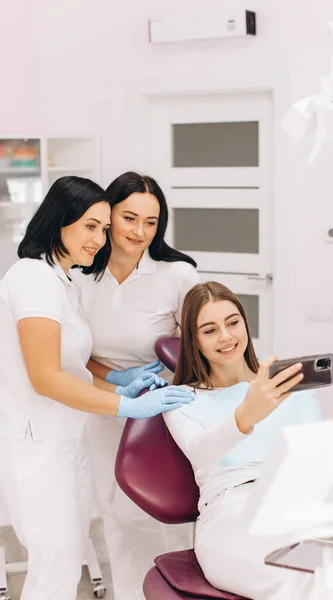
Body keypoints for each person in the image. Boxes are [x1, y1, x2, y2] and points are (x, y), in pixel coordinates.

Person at [0, 176, 194, 600]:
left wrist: (116, 381)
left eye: (102, 229)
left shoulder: (62, 280)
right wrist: (125, 404)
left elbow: (71, 360)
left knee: (66, 563)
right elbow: (46, 377)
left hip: (69, 438)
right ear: (59, 219)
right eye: (91, 226)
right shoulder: (33, 279)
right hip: (41, 444)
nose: (99, 238)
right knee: (55, 566)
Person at [164, 282, 333, 600]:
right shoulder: (181, 398)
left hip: (303, 506)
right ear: (194, 341)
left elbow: (317, 459)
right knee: (299, 580)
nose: (227, 336)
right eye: (210, 330)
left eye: (233, 322)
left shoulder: (287, 387)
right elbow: (200, 452)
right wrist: (246, 415)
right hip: (232, 513)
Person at [72, 171, 201, 600]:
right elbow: (72, 351)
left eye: (151, 221)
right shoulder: (80, 276)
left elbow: (206, 343)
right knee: (116, 512)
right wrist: (113, 378)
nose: (141, 232)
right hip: (105, 406)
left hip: (167, 410)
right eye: (130, 218)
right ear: (108, 214)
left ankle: (183, 591)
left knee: (170, 511)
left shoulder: (177, 275)